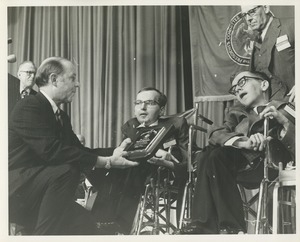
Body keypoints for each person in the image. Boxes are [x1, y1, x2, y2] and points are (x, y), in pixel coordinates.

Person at [8, 57, 138, 235]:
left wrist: (114, 152)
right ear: (54, 79)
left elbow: (79, 151)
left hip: (41, 188)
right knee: (66, 170)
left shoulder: (60, 115)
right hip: (14, 190)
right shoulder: (29, 106)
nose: (77, 84)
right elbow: (51, 151)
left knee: (86, 225)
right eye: (72, 78)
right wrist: (106, 161)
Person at [181, 71, 294, 234]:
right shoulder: (236, 113)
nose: (237, 90)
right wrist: (242, 142)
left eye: (242, 82)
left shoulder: (283, 108)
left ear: (264, 84)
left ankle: (220, 226)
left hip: (268, 164)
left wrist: (282, 122)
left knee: (214, 155)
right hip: (234, 164)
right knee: (207, 153)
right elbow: (215, 132)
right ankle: (216, 227)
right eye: (234, 89)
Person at [89, 87, 189, 234]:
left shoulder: (175, 126)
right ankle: (99, 222)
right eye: (139, 102)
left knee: (132, 165)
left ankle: (117, 223)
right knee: (95, 154)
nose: (142, 107)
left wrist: (164, 156)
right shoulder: (131, 125)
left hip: (158, 171)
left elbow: (184, 159)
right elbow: (123, 150)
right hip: (129, 166)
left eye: (149, 103)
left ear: (161, 110)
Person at [241, 5, 295, 102]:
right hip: (269, 107)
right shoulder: (256, 40)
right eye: (244, 15)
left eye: (252, 12)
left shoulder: (292, 25)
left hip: (292, 102)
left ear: (266, 8)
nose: (248, 19)